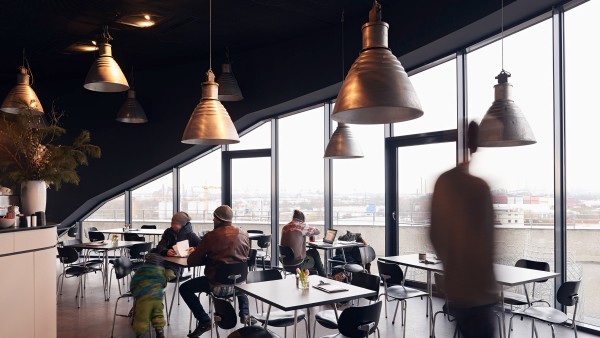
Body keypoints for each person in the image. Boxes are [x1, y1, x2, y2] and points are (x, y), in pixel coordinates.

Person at [429, 121, 498, 338]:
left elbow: (435, 234)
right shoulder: (479, 187)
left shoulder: (445, 182)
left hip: (457, 288)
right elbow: (488, 240)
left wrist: (450, 266)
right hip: (480, 288)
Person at [180, 205, 251, 338]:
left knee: (184, 288)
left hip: (217, 285)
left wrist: (203, 256)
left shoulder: (211, 236)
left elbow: (192, 262)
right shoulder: (244, 234)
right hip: (239, 285)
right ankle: (245, 313)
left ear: (218, 219)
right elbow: (244, 257)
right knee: (238, 285)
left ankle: (204, 320)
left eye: (214, 218)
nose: (213, 220)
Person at [130, 253, 175, 338]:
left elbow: (133, 283)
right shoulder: (161, 271)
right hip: (157, 297)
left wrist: (135, 293)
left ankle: (140, 333)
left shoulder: (141, 270)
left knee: (142, 316)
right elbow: (163, 284)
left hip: (144, 297)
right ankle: (160, 331)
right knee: (158, 314)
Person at [280, 209, 326, 277]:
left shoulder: (285, 227)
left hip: (285, 263)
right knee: (314, 253)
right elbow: (318, 231)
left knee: (312, 253)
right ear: (302, 219)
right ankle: (323, 277)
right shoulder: (302, 226)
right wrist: (314, 229)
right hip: (297, 263)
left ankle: (309, 277)